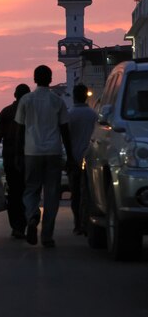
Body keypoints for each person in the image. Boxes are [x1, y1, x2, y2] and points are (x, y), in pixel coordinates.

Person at [15, 65, 72, 248]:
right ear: (50, 79)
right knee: (52, 194)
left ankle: (32, 216)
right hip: (53, 152)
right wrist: (70, 155)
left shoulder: (26, 100)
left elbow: (19, 130)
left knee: (31, 189)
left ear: (34, 79)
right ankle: (47, 236)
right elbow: (65, 130)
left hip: (32, 152)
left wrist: (18, 154)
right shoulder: (57, 101)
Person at [0, 83, 31, 239]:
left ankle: (17, 226)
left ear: (15, 95)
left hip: (10, 158)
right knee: (28, 191)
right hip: (29, 157)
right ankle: (26, 222)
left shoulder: (6, 111)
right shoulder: (31, 112)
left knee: (14, 192)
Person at [68, 83, 97, 234]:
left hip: (74, 159)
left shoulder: (69, 114)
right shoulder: (93, 115)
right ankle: (87, 223)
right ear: (86, 96)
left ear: (74, 96)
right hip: (90, 159)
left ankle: (77, 223)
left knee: (76, 194)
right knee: (89, 194)